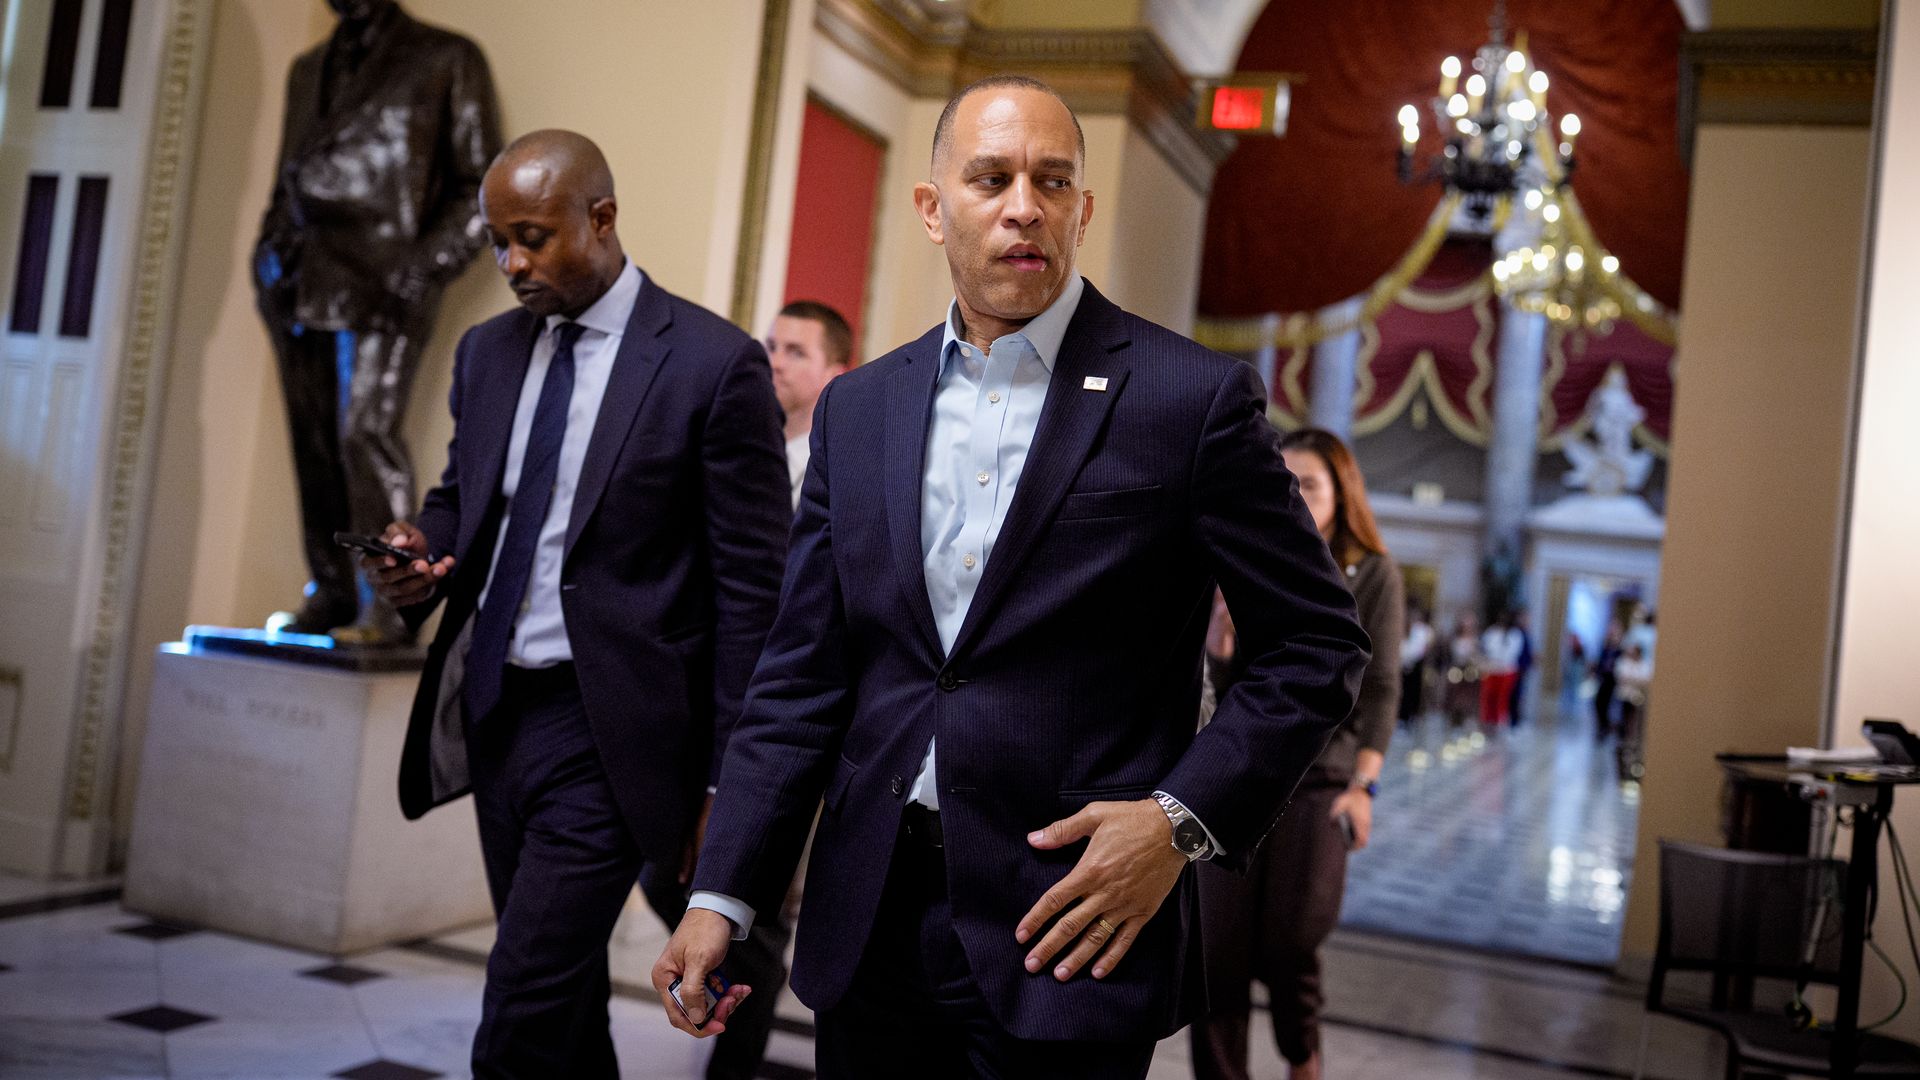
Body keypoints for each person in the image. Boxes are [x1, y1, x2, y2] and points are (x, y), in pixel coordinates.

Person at [652, 76, 1371, 1078]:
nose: (1022, 205)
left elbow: (1315, 646)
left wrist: (1176, 822)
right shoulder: (859, 414)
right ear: (933, 207)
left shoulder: (1188, 402)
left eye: (1051, 180)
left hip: (1068, 928)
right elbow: (800, 677)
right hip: (870, 922)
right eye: (990, 178)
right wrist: (721, 893)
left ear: (1083, 209)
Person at [361, 130, 792, 1078]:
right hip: (495, 712)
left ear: (601, 219)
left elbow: (752, 600)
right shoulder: (487, 354)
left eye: (533, 238)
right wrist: (418, 550)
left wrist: (730, 785)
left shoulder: (711, 367)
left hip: (616, 734)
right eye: (496, 243)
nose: (512, 264)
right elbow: (457, 499)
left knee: (518, 1001)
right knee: (558, 998)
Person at [255, 0, 500, 640]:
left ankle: (390, 606)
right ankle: (333, 591)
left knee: (365, 436)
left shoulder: (447, 57)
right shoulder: (309, 67)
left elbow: (483, 186)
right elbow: (289, 177)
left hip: (387, 283)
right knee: (314, 445)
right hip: (300, 281)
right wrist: (268, 251)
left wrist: (422, 269)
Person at [1191, 428, 1403, 1080]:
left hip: (1320, 779)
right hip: (1236, 774)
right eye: (1286, 481)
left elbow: (1383, 688)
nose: (1295, 494)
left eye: (1310, 483)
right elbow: (1224, 688)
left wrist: (1363, 788)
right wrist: (1220, 650)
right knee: (1215, 953)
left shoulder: (1371, 572)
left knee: (1291, 941)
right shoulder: (1247, 555)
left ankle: (1301, 1059)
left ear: (1342, 493)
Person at [766, 300, 853, 509]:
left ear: (833, 375)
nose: (774, 363)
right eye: (771, 347)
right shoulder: (738, 444)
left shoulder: (841, 471)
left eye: (796, 353)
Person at [1613, 643, 1654, 779]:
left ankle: (1630, 740)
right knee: (1624, 719)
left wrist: (1632, 679)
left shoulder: (1644, 665)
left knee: (1634, 720)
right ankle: (1623, 738)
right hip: (1625, 697)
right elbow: (1622, 676)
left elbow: (1645, 679)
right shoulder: (1624, 662)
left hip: (1637, 698)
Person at [1479, 612, 1523, 727]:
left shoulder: (1515, 634)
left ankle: (1500, 721)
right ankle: (1487, 721)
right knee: (1489, 696)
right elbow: (1487, 648)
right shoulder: (1492, 632)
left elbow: (1514, 652)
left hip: (1507, 670)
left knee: (1502, 697)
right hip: (1492, 669)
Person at [1444, 612, 1481, 728]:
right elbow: (1451, 654)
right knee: (1454, 695)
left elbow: (1477, 655)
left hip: (1469, 670)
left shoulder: (1475, 639)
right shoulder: (1454, 638)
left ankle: (1466, 718)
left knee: (1468, 695)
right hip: (1457, 668)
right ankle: (1453, 719)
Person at [1399, 604, 1432, 726]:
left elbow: (1420, 650)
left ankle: (1411, 717)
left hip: (1416, 667)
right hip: (1402, 666)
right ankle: (1401, 718)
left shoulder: (1422, 631)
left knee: (1413, 693)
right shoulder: (1401, 628)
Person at [1592, 620, 1624, 741]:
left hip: (1613, 680)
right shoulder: (1606, 648)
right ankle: (1602, 726)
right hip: (1604, 678)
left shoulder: (1620, 651)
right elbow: (1600, 661)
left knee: (1609, 704)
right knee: (1599, 702)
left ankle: (1607, 727)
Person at [1507, 608, 1534, 727]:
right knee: (1514, 695)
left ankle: (1516, 721)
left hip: (1523, 670)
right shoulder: (1515, 634)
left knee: (1520, 696)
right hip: (1515, 669)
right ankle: (1512, 721)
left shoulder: (1526, 634)